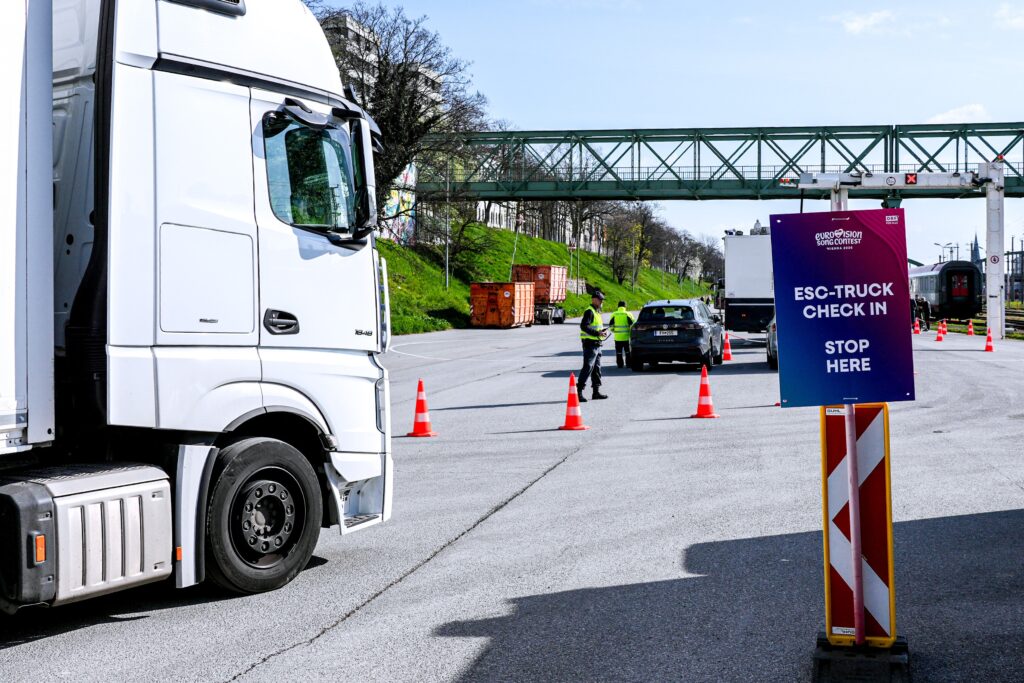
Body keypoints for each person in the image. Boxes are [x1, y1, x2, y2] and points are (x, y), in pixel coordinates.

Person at [578, 289, 609, 402]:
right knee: (588, 367)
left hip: (597, 344)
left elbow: (596, 327)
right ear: (594, 300)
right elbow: (584, 326)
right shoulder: (590, 311)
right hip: (590, 344)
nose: (602, 302)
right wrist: (597, 333)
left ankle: (596, 392)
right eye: (601, 300)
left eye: (602, 300)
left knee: (596, 369)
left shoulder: (596, 312)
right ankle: (579, 392)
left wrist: (602, 332)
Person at [608, 300, 636, 368]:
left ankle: (620, 364)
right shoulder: (628, 314)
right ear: (625, 306)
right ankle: (628, 364)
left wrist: (613, 330)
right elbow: (633, 325)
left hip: (617, 337)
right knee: (627, 352)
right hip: (626, 337)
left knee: (619, 352)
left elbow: (610, 325)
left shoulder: (614, 314)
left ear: (618, 306)